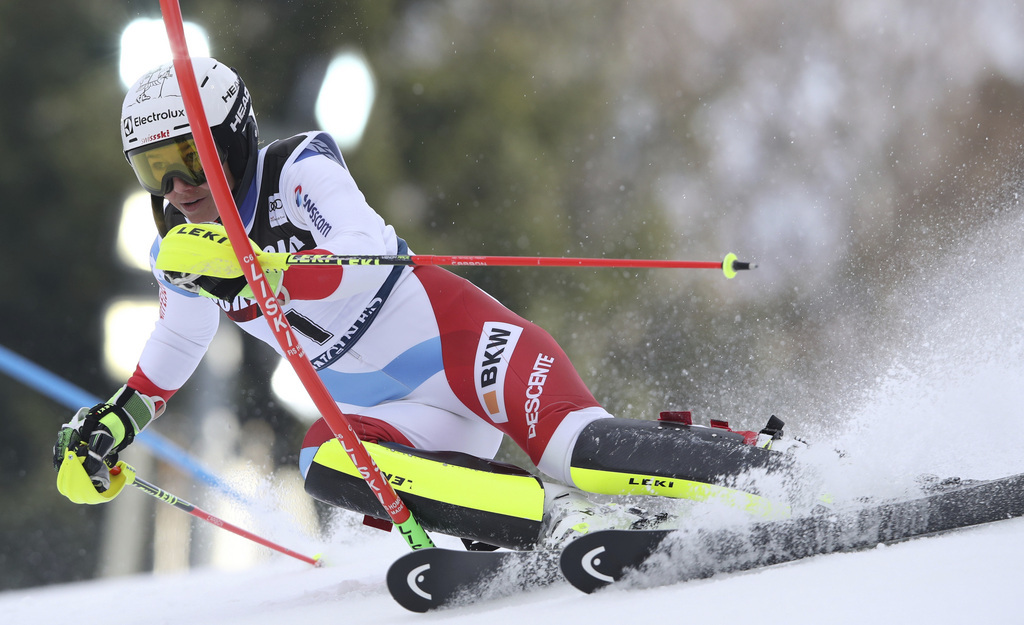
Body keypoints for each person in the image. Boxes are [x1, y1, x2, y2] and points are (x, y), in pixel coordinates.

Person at [53, 57, 803, 550]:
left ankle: (775, 472)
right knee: (323, 455)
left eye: (188, 161)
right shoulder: (180, 249)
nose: (176, 192)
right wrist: (114, 422)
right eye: (155, 171)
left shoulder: (300, 167)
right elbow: (178, 341)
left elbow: (358, 253)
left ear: (234, 143)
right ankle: (557, 526)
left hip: (470, 350)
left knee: (586, 453)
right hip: (406, 411)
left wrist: (257, 275)